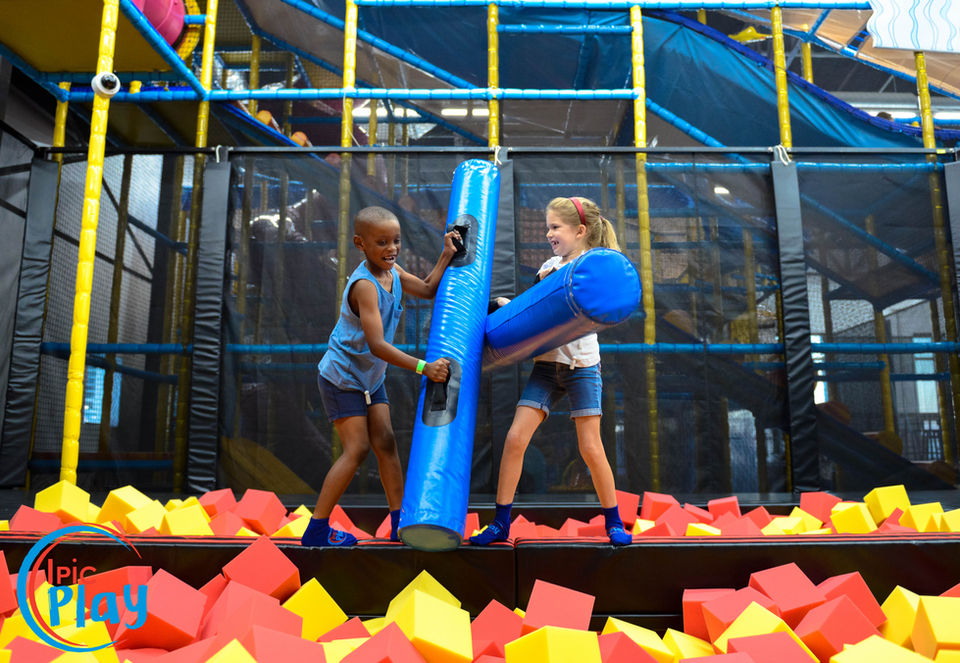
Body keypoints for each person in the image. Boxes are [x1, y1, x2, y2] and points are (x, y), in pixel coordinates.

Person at [471, 196, 633, 546]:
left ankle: (614, 522)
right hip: (547, 367)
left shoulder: (593, 266)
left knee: (590, 447)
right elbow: (532, 314)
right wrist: (503, 305)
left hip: (582, 367)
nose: (548, 233)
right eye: (548, 227)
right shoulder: (548, 267)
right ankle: (500, 523)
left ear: (580, 230)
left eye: (555, 227)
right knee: (515, 439)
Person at [302, 206, 461, 547]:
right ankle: (316, 529)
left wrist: (447, 254)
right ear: (360, 243)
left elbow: (428, 288)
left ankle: (398, 523)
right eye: (382, 243)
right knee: (357, 449)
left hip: (370, 378)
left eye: (396, 241)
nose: (391, 249)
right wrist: (424, 367)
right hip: (342, 377)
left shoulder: (393, 272)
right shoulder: (365, 286)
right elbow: (376, 345)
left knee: (386, 443)